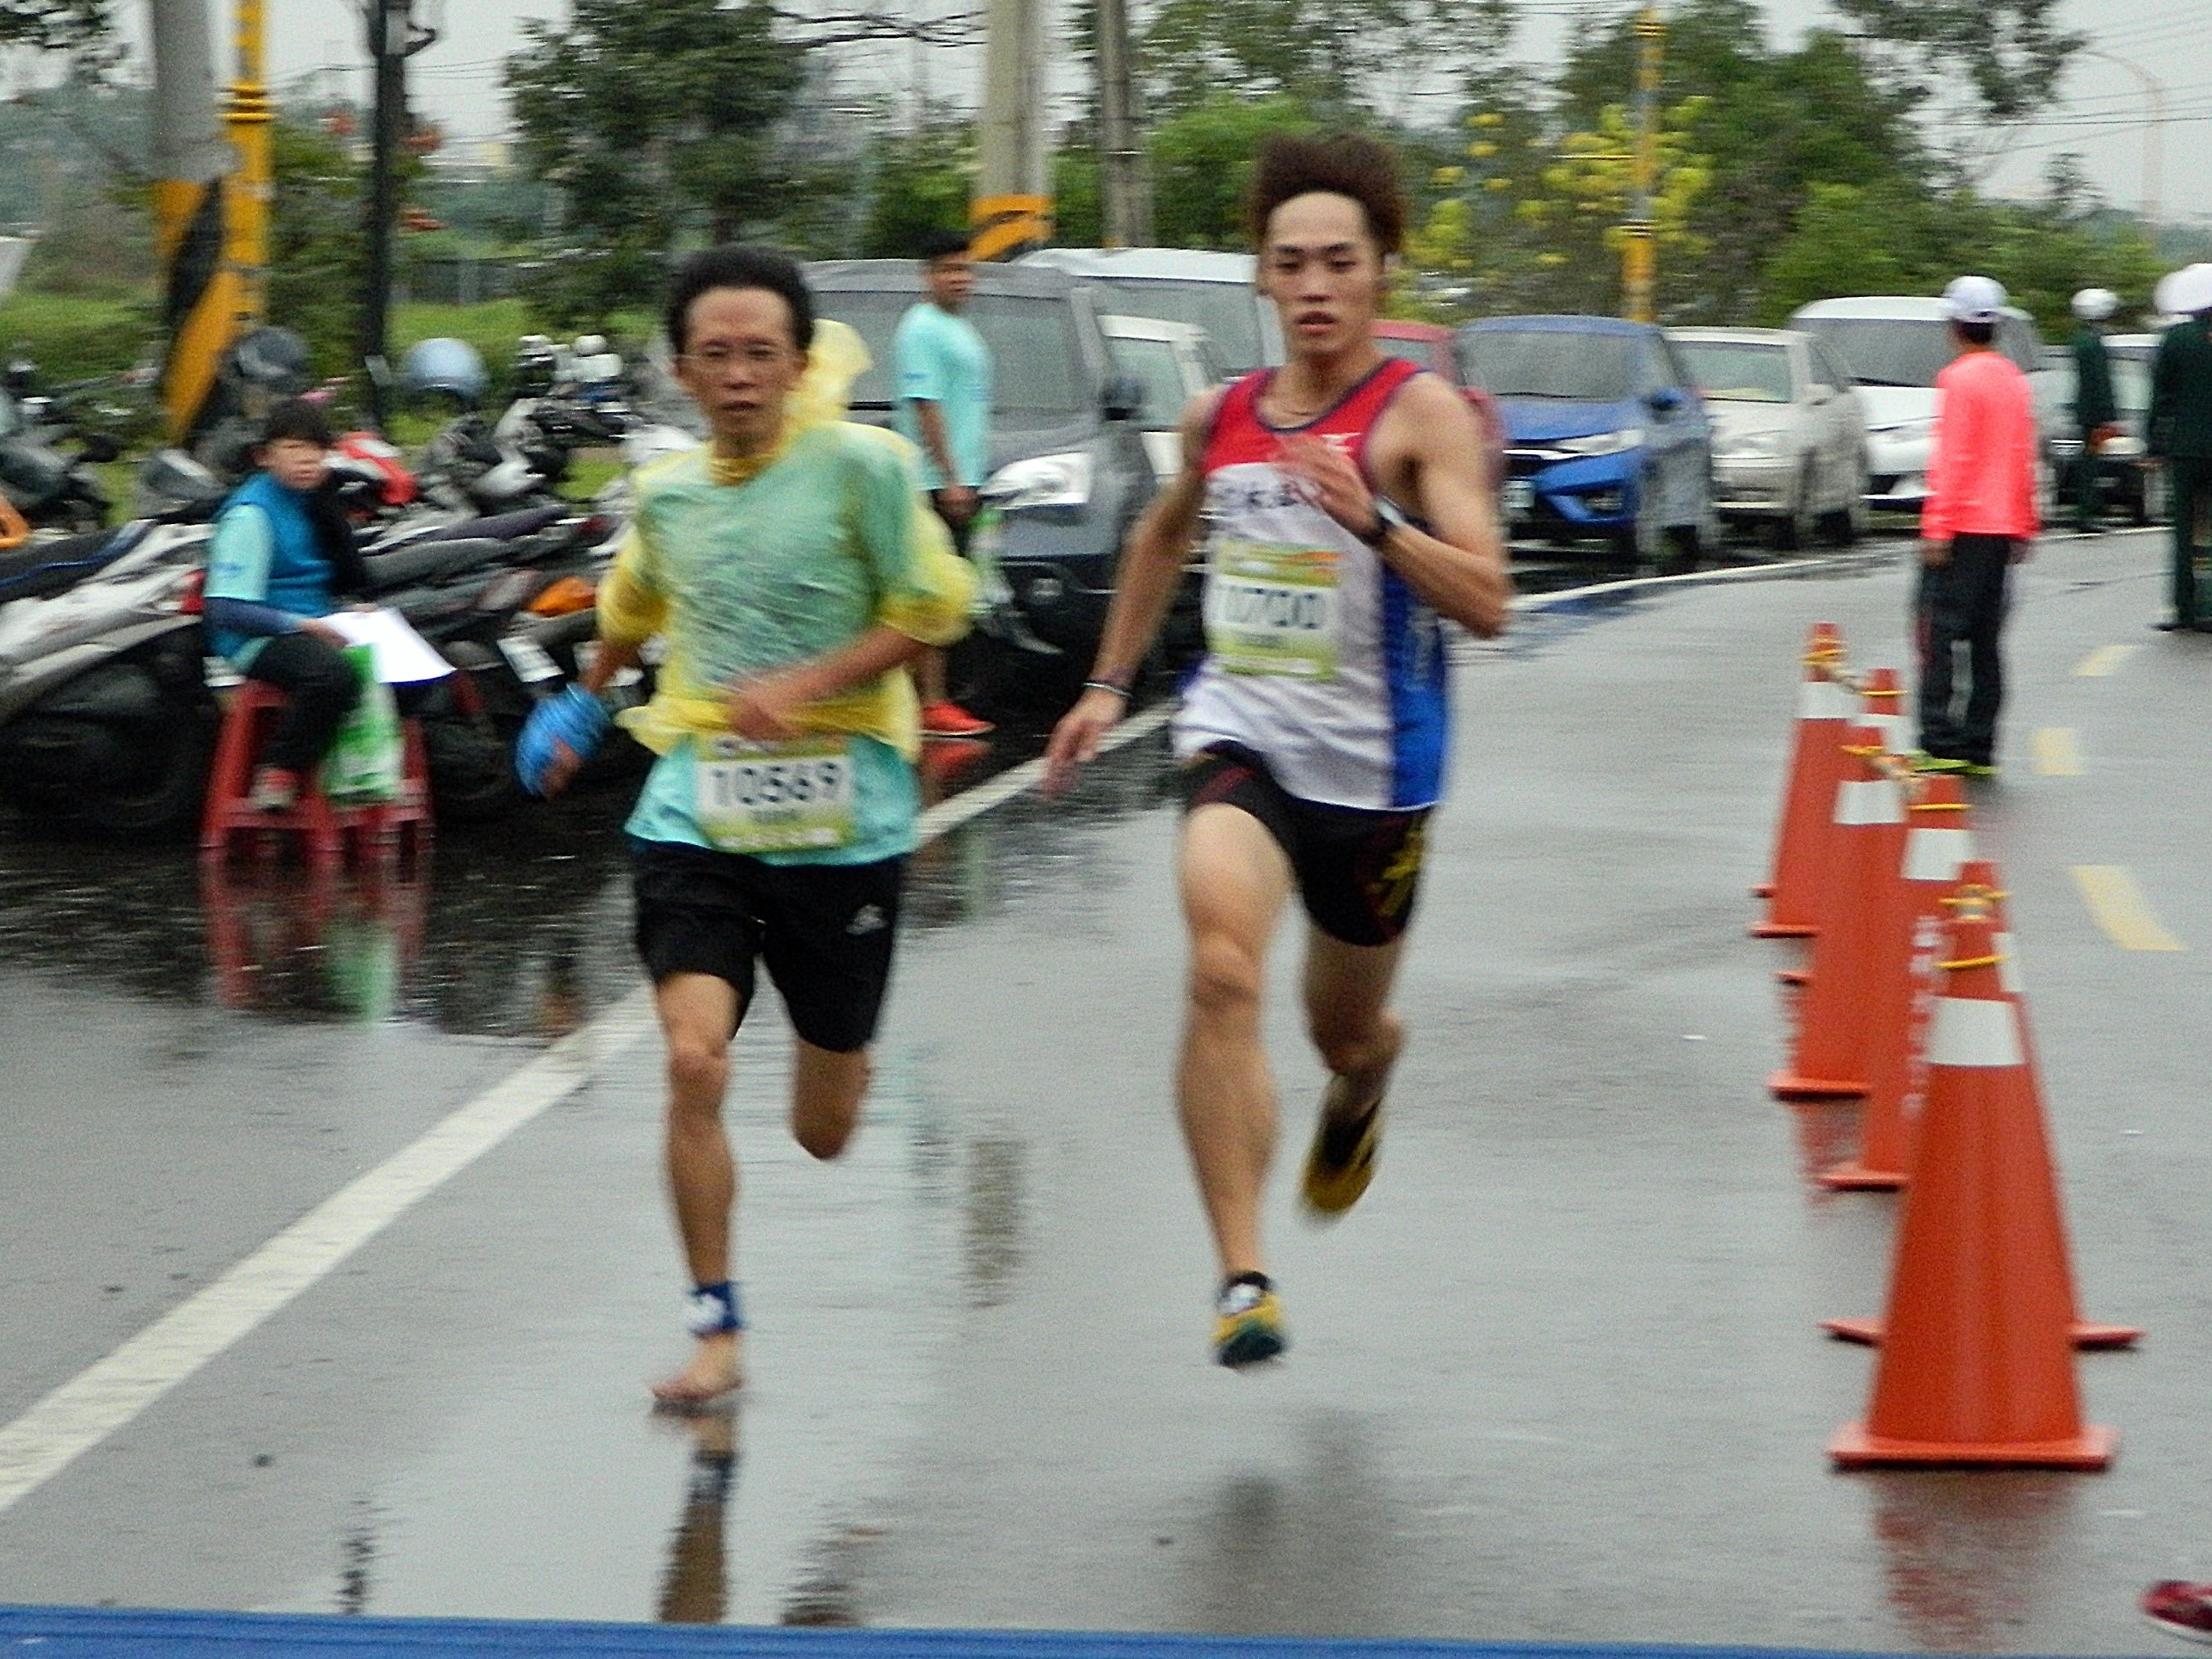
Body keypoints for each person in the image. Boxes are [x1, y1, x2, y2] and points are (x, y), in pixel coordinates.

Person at [1043, 133, 1511, 1368]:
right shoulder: (1223, 417)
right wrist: (1103, 685)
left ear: (1378, 276)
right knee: (1216, 971)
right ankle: (1241, 1274)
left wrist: (1377, 519)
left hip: (1375, 777)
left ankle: (1364, 1083)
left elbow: (1488, 601)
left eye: (1337, 264)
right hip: (1237, 735)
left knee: (1338, 1035)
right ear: (1260, 277)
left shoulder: (1421, 421)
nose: (1312, 285)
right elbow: (1156, 539)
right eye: (1289, 263)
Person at [518, 245, 975, 1407]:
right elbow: (628, 608)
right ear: (680, 370)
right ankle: (715, 1327)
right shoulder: (666, 495)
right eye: (713, 356)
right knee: (690, 1059)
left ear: (798, 361)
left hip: (846, 825)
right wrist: (584, 700)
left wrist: (809, 686)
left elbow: (933, 608)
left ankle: (846, 1057)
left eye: (758, 354)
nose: (736, 377)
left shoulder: (864, 468)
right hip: (697, 814)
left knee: (823, 1130)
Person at [202, 398, 372, 811]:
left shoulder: (313, 502)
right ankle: (278, 770)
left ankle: (360, 782)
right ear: (264, 456)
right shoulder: (250, 515)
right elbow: (226, 609)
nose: (307, 460)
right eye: (293, 449)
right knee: (331, 676)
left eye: (316, 449)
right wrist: (306, 625)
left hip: (312, 621)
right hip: (254, 637)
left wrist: (348, 611)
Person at [1913, 275, 2037, 779]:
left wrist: (1937, 529)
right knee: (1986, 639)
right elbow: (2022, 457)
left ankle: (1939, 741)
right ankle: (1980, 746)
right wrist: (2026, 524)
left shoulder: (1959, 379)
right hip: (2002, 527)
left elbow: (1953, 459)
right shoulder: (2013, 379)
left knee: (1939, 633)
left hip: (1963, 525)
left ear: (1954, 325)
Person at [892, 227, 995, 739]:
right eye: (949, 270)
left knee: (953, 591)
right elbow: (926, 405)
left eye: (965, 268)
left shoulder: (958, 328)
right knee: (932, 592)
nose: (960, 278)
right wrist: (950, 478)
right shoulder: (922, 329)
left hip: (964, 480)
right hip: (933, 483)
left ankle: (934, 696)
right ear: (927, 276)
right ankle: (930, 703)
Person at [2147, 263, 2212, 632]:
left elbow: (2161, 399)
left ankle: (2184, 610)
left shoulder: (2176, 339)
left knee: (2184, 532)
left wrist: (2153, 443)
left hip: (2185, 449)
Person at [2067, 287, 2121, 533]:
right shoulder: (2094, 343)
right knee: (2091, 463)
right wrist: (2109, 415)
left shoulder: (2081, 339)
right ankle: (2086, 514)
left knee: (2089, 460)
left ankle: (2088, 511)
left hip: (2085, 411)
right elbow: (2101, 382)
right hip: (2094, 415)